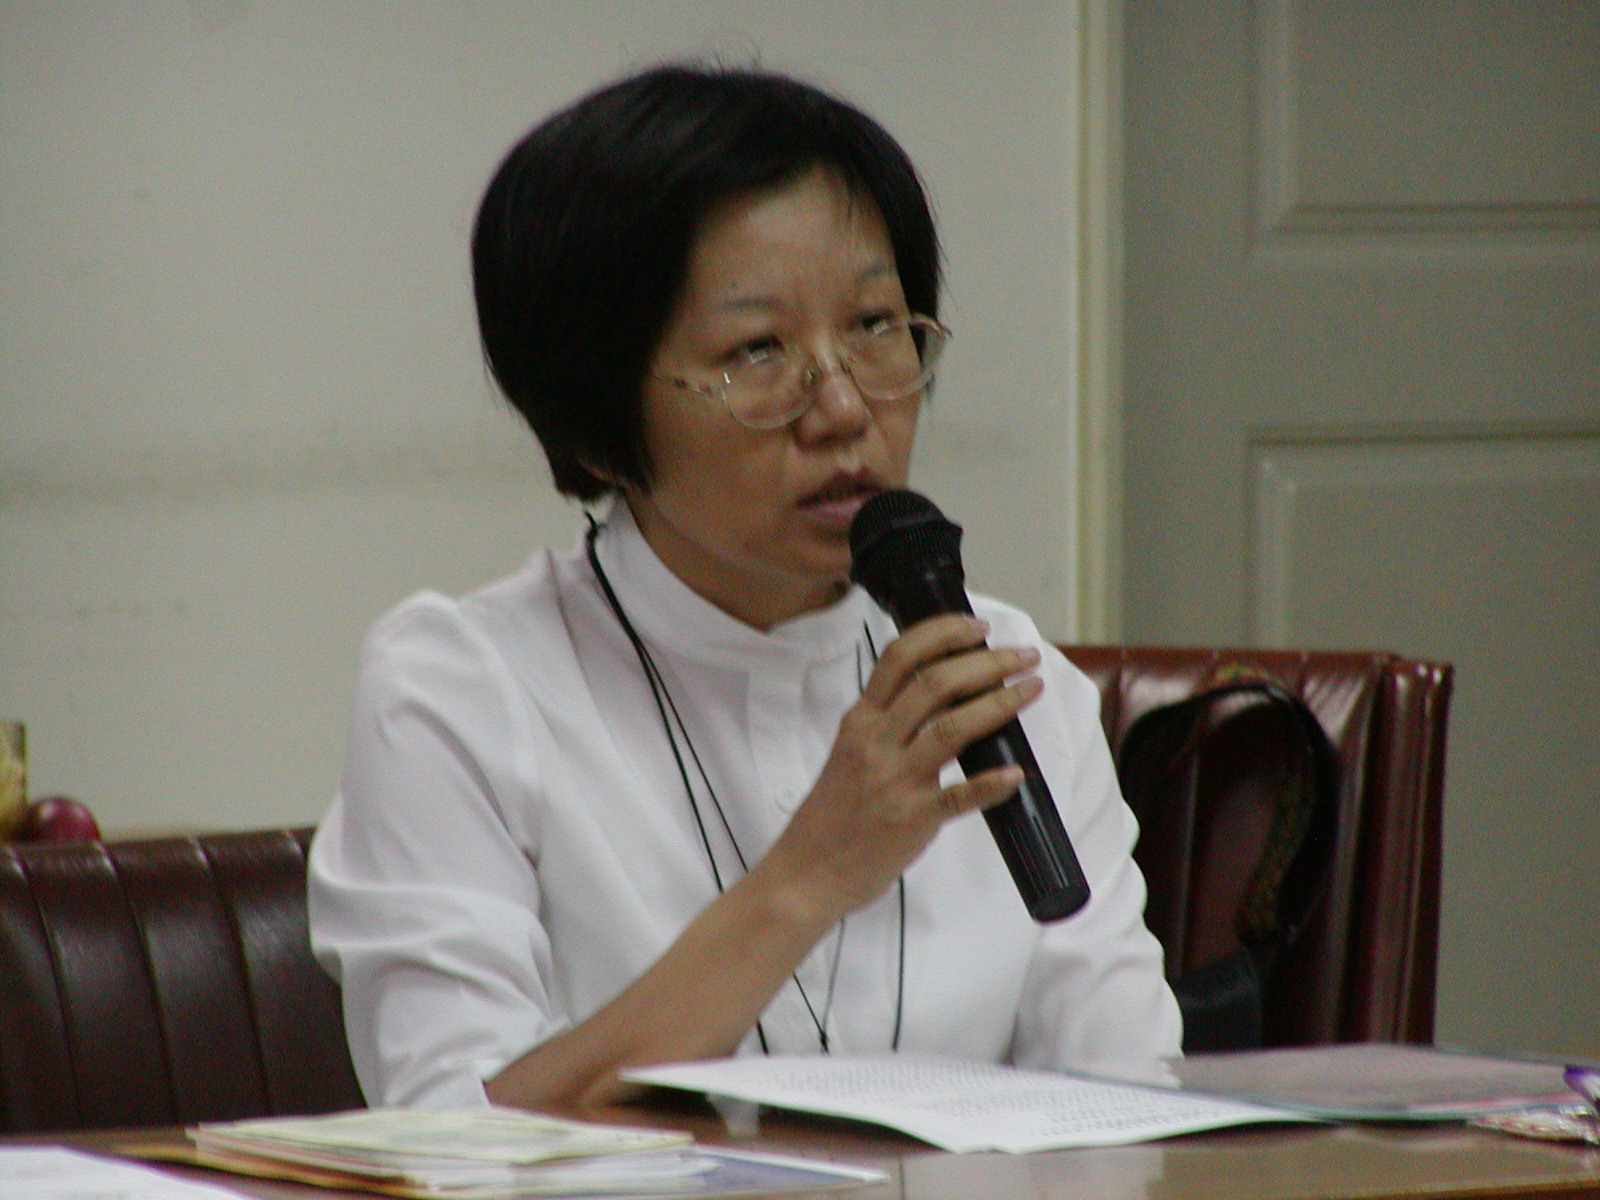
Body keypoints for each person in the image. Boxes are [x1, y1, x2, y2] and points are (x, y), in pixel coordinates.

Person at [308, 62, 1181, 1114]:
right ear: (596, 425)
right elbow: (447, 1140)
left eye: (874, 325)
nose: (843, 408)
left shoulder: (1007, 681)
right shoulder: (464, 691)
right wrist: (805, 879)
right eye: (758, 349)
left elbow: (1130, 1102)